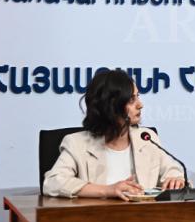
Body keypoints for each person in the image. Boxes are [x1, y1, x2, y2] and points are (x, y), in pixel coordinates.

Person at [43, 70, 185, 200]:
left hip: (145, 219)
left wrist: (175, 179)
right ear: (110, 106)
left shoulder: (147, 138)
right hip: (97, 221)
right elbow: (53, 182)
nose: (140, 105)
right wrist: (108, 190)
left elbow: (173, 171)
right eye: (131, 100)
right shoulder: (77, 143)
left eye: (138, 97)